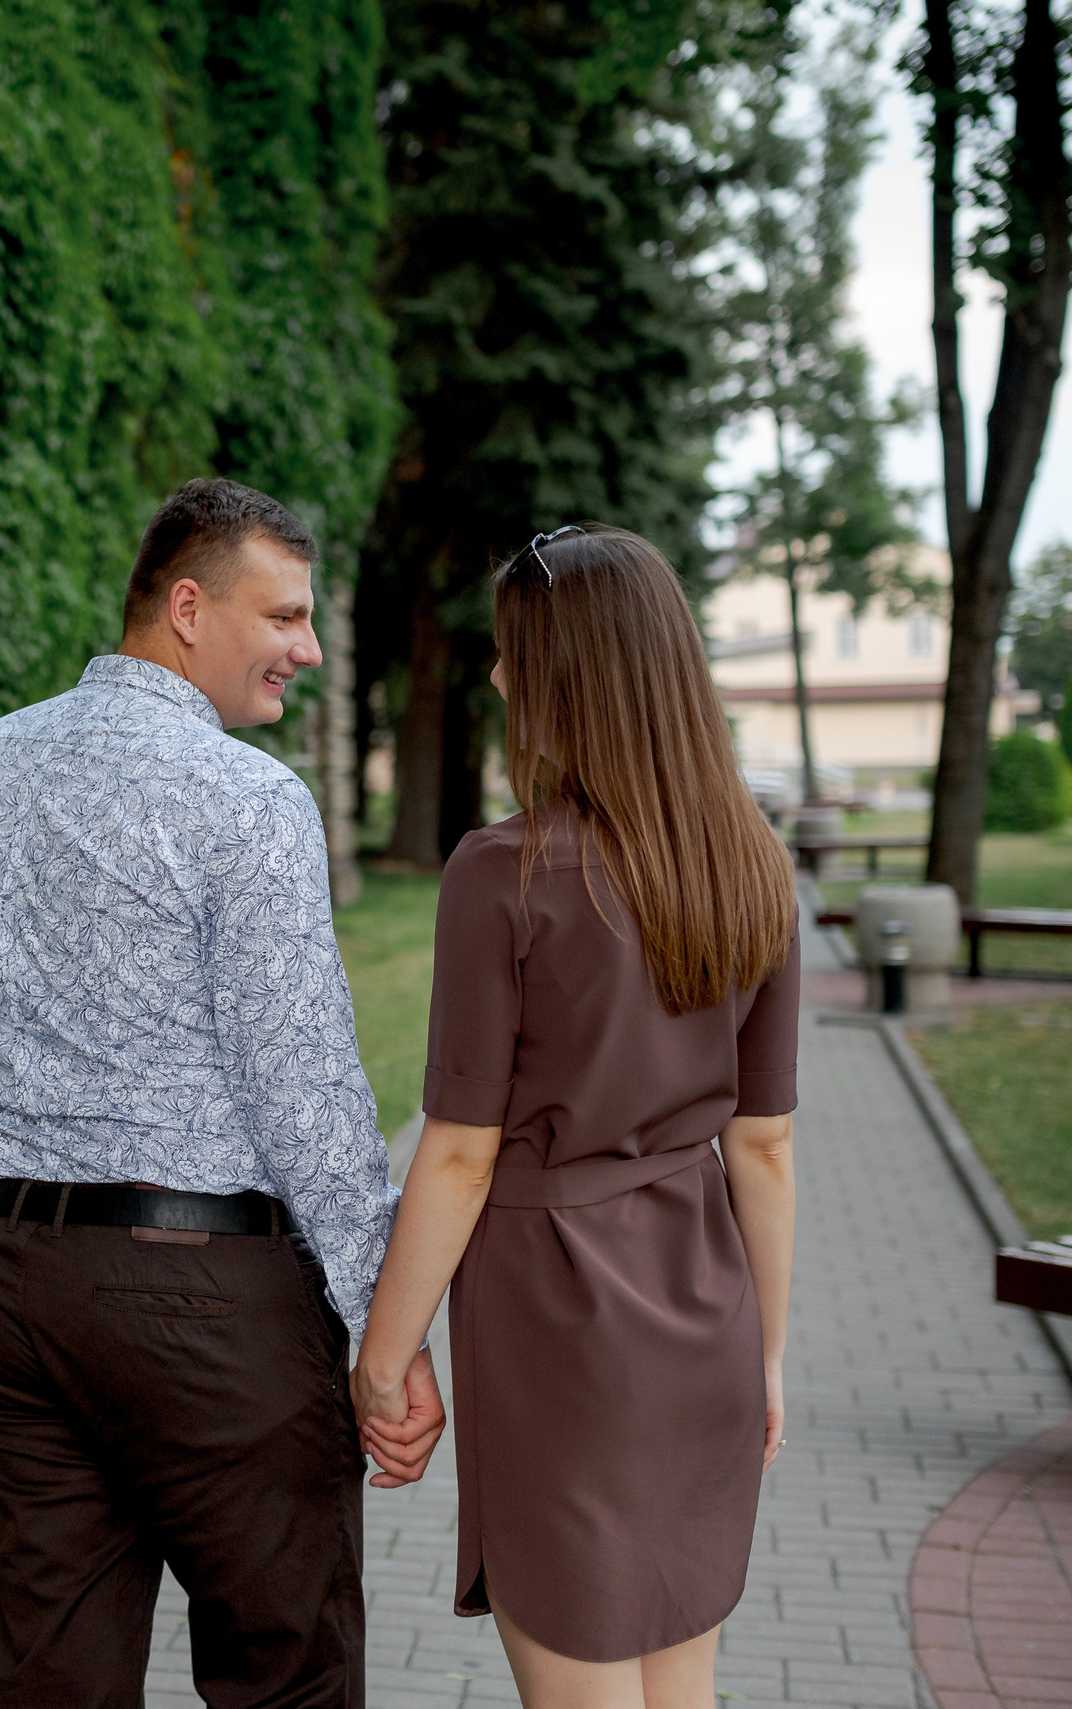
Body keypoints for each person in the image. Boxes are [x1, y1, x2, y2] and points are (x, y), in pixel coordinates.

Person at [0, 478, 444, 1707]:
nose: (306, 648)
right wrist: (388, 1328)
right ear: (188, 606)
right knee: (287, 1669)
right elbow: (302, 1086)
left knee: (58, 1671)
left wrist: (8, 1209)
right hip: (201, 1307)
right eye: (286, 616)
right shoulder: (246, 799)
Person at [351, 523, 801, 1709]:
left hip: (556, 1319)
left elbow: (455, 1153)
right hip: (703, 1305)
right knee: (675, 1681)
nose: (498, 678)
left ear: (569, 674)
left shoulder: (501, 873)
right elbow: (763, 1141)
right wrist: (764, 1353)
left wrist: (383, 1355)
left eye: (512, 652)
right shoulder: (754, 862)